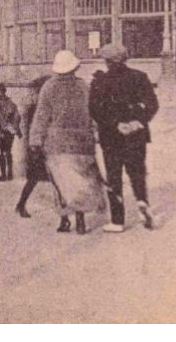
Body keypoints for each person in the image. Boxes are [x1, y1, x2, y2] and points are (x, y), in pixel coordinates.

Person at [28, 50, 103, 235]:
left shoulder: (49, 87)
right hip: (82, 143)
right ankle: (80, 218)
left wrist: (35, 140)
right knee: (80, 181)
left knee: (59, 182)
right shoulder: (83, 86)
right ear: (74, 68)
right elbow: (93, 113)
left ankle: (64, 220)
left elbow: (41, 116)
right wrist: (96, 132)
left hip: (57, 143)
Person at [89, 42, 159, 232]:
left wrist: (116, 124)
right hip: (136, 135)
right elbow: (152, 105)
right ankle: (142, 202)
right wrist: (138, 121)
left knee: (114, 177)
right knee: (137, 174)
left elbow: (95, 109)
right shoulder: (140, 77)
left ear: (108, 61)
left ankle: (117, 221)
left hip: (112, 137)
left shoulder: (100, 81)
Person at [13, 75, 52, 218]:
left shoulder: (34, 107)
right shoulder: (37, 108)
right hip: (42, 147)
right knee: (39, 178)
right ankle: (21, 204)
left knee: (36, 179)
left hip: (40, 147)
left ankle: (21, 204)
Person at [0, 82, 21, 182]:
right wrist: (15, 129)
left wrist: (1, 128)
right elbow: (17, 117)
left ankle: (4, 175)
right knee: (8, 152)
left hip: (1, 130)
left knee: (1, 153)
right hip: (10, 130)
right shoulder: (11, 103)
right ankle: (10, 174)